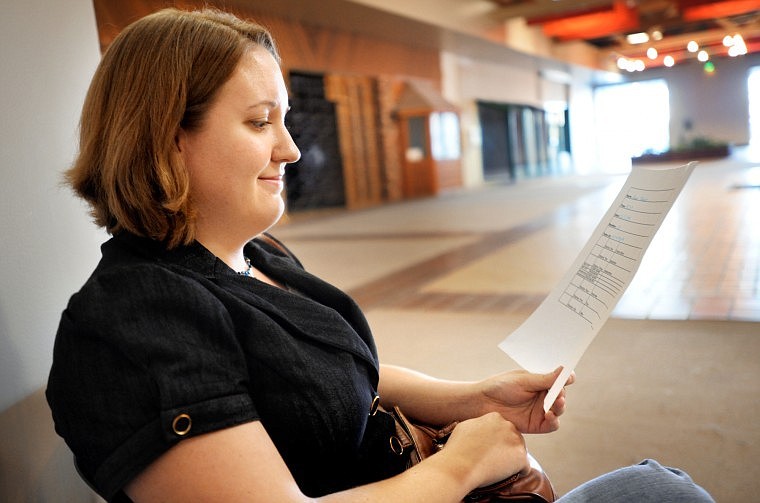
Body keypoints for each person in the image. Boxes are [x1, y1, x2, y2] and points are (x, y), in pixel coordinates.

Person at [46, 8, 714, 503]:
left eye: (283, 119)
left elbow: (328, 373)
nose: (292, 149)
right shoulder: (133, 321)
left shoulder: (258, 256)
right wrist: (460, 467)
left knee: (658, 487)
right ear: (167, 139)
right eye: (258, 122)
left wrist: (474, 397)